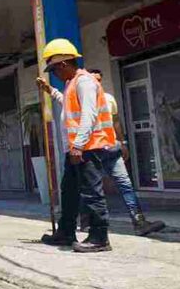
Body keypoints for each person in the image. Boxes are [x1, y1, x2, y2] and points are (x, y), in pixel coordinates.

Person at [38, 69, 165, 236]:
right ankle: (87, 224)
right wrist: (49, 90)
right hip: (93, 148)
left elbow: (115, 122)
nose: (94, 81)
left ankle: (138, 221)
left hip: (108, 148)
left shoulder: (107, 98)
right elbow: (64, 100)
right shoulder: (77, 95)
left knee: (122, 184)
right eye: (93, 78)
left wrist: (123, 143)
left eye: (97, 79)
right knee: (88, 189)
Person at [37, 38, 114, 252]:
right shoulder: (72, 84)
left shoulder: (85, 82)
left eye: (54, 69)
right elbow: (67, 104)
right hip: (77, 149)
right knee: (69, 192)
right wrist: (49, 90)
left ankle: (100, 237)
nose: (55, 74)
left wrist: (78, 145)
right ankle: (66, 232)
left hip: (88, 148)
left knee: (91, 192)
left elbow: (88, 116)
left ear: (63, 64)